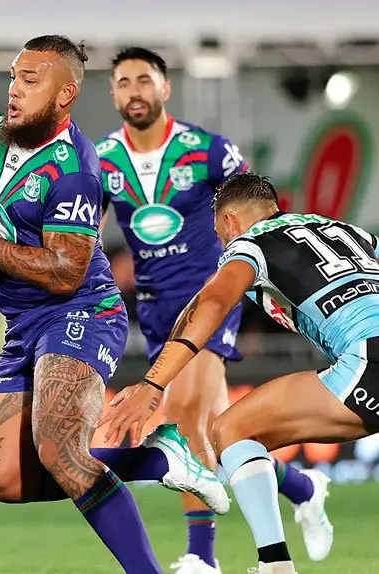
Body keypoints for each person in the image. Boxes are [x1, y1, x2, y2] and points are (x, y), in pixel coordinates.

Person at [0, 35, 227, 573]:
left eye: (30, 82)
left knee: (59, 447)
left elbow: (66, 272)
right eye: (13, 77)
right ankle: (160, 457)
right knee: (3, 479)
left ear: (65, 95)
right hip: (21, 324)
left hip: (82, 312)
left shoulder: (76, 170)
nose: (14, 91)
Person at [94, 47, 333, 573]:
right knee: (216, 433)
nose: (133, 90)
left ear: (165, 88)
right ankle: (302, 486)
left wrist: (272, 281)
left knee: (181, 420)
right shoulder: (103, 159)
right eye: (123, 82)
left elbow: (258, 215)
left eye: (144, 79)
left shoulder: (207, 151)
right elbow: (85, 230)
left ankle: (202, 558)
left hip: (210, 300)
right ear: (112, 93)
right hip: (155, 312)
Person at [99, 171, 379, 574]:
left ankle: (275, 565)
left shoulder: (250, 243)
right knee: (238, 427)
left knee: (234, 430)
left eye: (218, 234)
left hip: (368, 362)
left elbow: (211, 304)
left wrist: (152, 383)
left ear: (229, 222)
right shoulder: (344, 231)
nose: (221, 244)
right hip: (363, 358)